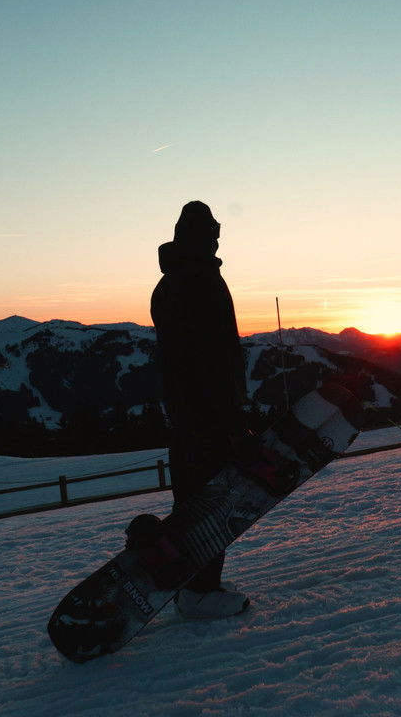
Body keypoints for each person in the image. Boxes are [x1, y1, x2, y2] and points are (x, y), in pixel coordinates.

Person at [150, 200, 251, 619]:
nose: (217, 239)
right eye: (212, 232)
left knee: (191, 503)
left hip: (183, 417)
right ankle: (200, 592)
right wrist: (232, 424)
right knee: (213, 506)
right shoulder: (201, 282)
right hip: (208, 419)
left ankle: (192, 583)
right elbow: (214, 360)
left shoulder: (169, 283)